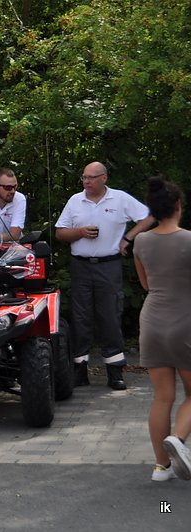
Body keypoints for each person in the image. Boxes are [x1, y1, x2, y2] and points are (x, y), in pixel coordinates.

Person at [55, 161, 154, 390]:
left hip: (108, 265)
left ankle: (115, 371)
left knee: (109, 315)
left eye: (91, 177)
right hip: (80, 266)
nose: (86, 182)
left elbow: (149, 217)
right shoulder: (75, 201)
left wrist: (128, 238)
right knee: (81, 318)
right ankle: (80, 370)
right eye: (84, 177)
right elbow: (60, 233)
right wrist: (79, 232)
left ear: (104, 178)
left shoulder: (119, 199)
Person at [132, 175, 191, 482]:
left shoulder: (141, 241)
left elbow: (146, 284)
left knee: (162, 396)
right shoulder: (189, 240)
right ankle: (178, 441)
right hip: (186, 322)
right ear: (178, 206)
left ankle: (161, 467)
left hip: (152, 321)